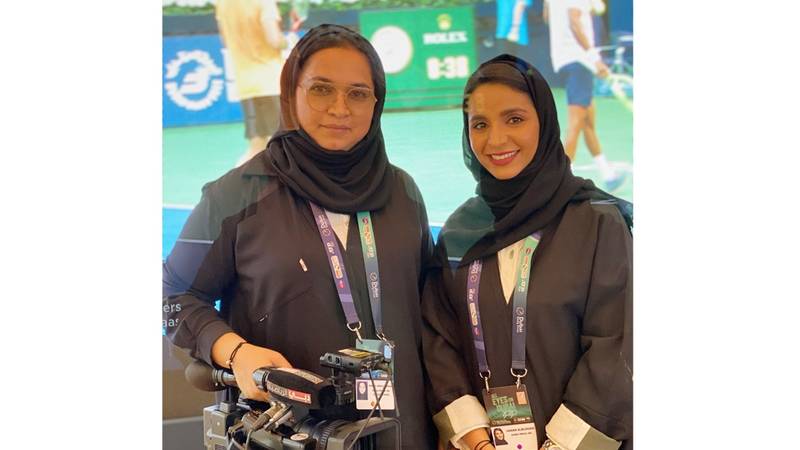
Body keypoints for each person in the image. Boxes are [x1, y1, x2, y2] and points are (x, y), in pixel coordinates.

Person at [163, 24, 436, 449]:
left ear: (376, 103)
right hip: (287, 435)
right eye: (321, 89)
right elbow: (172, 296)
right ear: (292, 93)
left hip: (401, 434)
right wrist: (234, 352)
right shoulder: (235, 196)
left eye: (358, 93)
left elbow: (431, 316)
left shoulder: (403, 193)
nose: (340, 108)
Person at [422, 55, 632, 450]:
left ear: (545, 122)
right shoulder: (458, 234)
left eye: (514, 119)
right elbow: (439, 342)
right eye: (480, 124)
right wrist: (476, 440)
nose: (496, 140)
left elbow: (618, 348)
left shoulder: (597, 223)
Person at [543, 0, 626, 192]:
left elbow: (547, 18)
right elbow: (574, 22)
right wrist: (595, 59)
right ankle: (558, 183)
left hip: (563, 60)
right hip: (579, 61)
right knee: (576, 124)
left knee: (588, 122)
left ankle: (608, 174)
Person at [215, 0, 297, 166]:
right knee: (286, 147)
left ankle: (237, 181)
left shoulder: (223, 3)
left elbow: (224, 40)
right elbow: (274, 40)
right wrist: (289, 41)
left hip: (245, 85)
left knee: (256, 148)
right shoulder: (265, 3)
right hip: (271, 83)